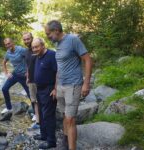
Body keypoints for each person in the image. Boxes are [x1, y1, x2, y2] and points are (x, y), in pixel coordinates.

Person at [45, 20, 92, 150]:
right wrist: (55, 87)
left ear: (56, 31)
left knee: (70, 119)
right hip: (60, 86)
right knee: (65, 116)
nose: (47, 37)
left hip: (73, 85)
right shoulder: (57, 44)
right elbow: (59, 68)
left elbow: (87, 60)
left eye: (48, 34)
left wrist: (86, 84)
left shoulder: (73, 40)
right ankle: (66, 143)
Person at [31, 38, 57, 149]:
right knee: (41, 114)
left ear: (43, 45)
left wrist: (55, 88)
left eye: (36, 47)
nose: (34, 49)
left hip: (49, 89)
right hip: (39, 89)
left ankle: (51, 141)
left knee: (48, 115)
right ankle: (43, 135)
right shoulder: (37, 56)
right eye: (33, 47)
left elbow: (58, 72)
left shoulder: (52, 55)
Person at [1, 38, 31, 114]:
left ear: (12, 42)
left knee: (30, 95)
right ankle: (9, 108)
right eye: (6, 44)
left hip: (24, 76)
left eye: (9, 43)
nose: (8, 45)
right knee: (4, 89)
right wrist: (7, 73)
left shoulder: (21, 50)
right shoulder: (8, 53)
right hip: (15, 74)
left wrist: (28, 72)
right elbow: (4, 62)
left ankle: (36, 113)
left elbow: (29, 60)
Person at [22, 32, 40, 130]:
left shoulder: (37, 49)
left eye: (28, 39)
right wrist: (28, 77)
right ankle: (38, 122)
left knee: (43, 101)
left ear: (32, 38)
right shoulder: (26, 52)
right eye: (24, 39)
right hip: (32, 80)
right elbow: (28, 65)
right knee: (35, 101)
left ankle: (45, 121)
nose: (26, 41)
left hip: (41, 80)